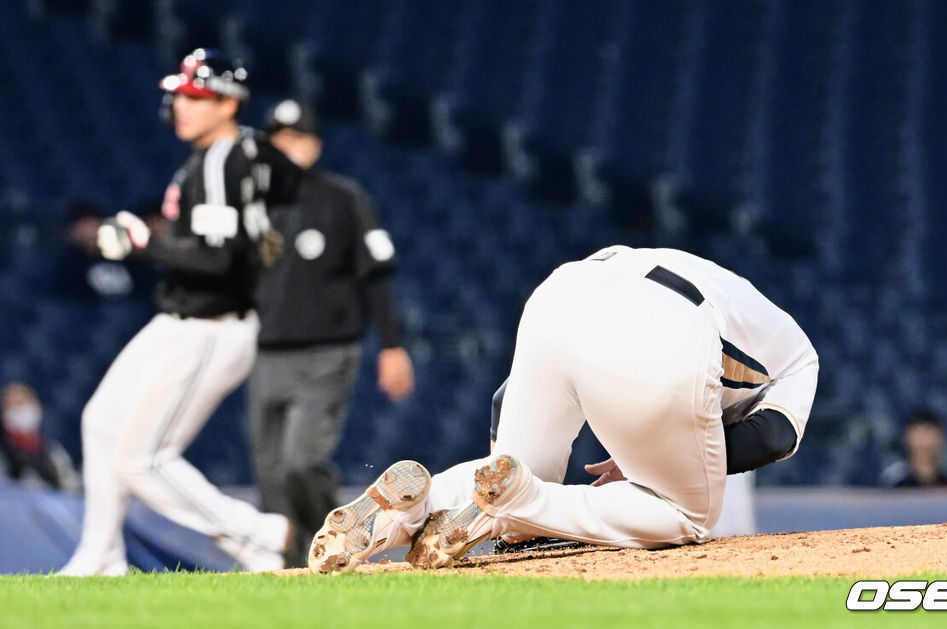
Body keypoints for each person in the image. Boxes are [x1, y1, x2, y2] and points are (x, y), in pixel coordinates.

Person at [305, 245, 819, 573]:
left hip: (565, 289)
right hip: (664, 326)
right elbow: (773, 437)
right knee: (684, 515)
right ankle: (522, 502)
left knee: (515, 468)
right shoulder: (799, 357)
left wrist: (507, 457)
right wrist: (672, 457)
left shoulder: (739, 298)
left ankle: (416, 503)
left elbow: (507, 395)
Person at [59, 48, 300, 576]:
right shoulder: (222, 155)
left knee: (142, 458)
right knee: (101, 422)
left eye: (197, 95)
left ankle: (258, 532)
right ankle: (101, 555)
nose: (182, 105)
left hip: (213, 324)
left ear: (228, 103)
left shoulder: (224, 158)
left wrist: (145, 240)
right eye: (181, 94)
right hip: (182, 317)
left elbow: (216, 258)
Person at [247, 99, 414, 553]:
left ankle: (333, 543)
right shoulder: (253, 205)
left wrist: (393, 346)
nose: (286, 148)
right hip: (263, 352)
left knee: (301, 463)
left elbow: (376, 276)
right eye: (278, 140)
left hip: (327, 351)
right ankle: (285, 567)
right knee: (269, 473)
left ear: (315, 146)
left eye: (296, 139)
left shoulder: (343, 198)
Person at [1, 382, 78, 491]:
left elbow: (71, 488)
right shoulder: (3, 453)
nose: (22, 409)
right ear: (5, 413)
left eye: (25, 402)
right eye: (16, 405)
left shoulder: (53, 451)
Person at [881, 407, 947, 488]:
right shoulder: (895, 489)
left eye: (929, 433)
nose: (925, 442)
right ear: (907, 437)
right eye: (920, 434)